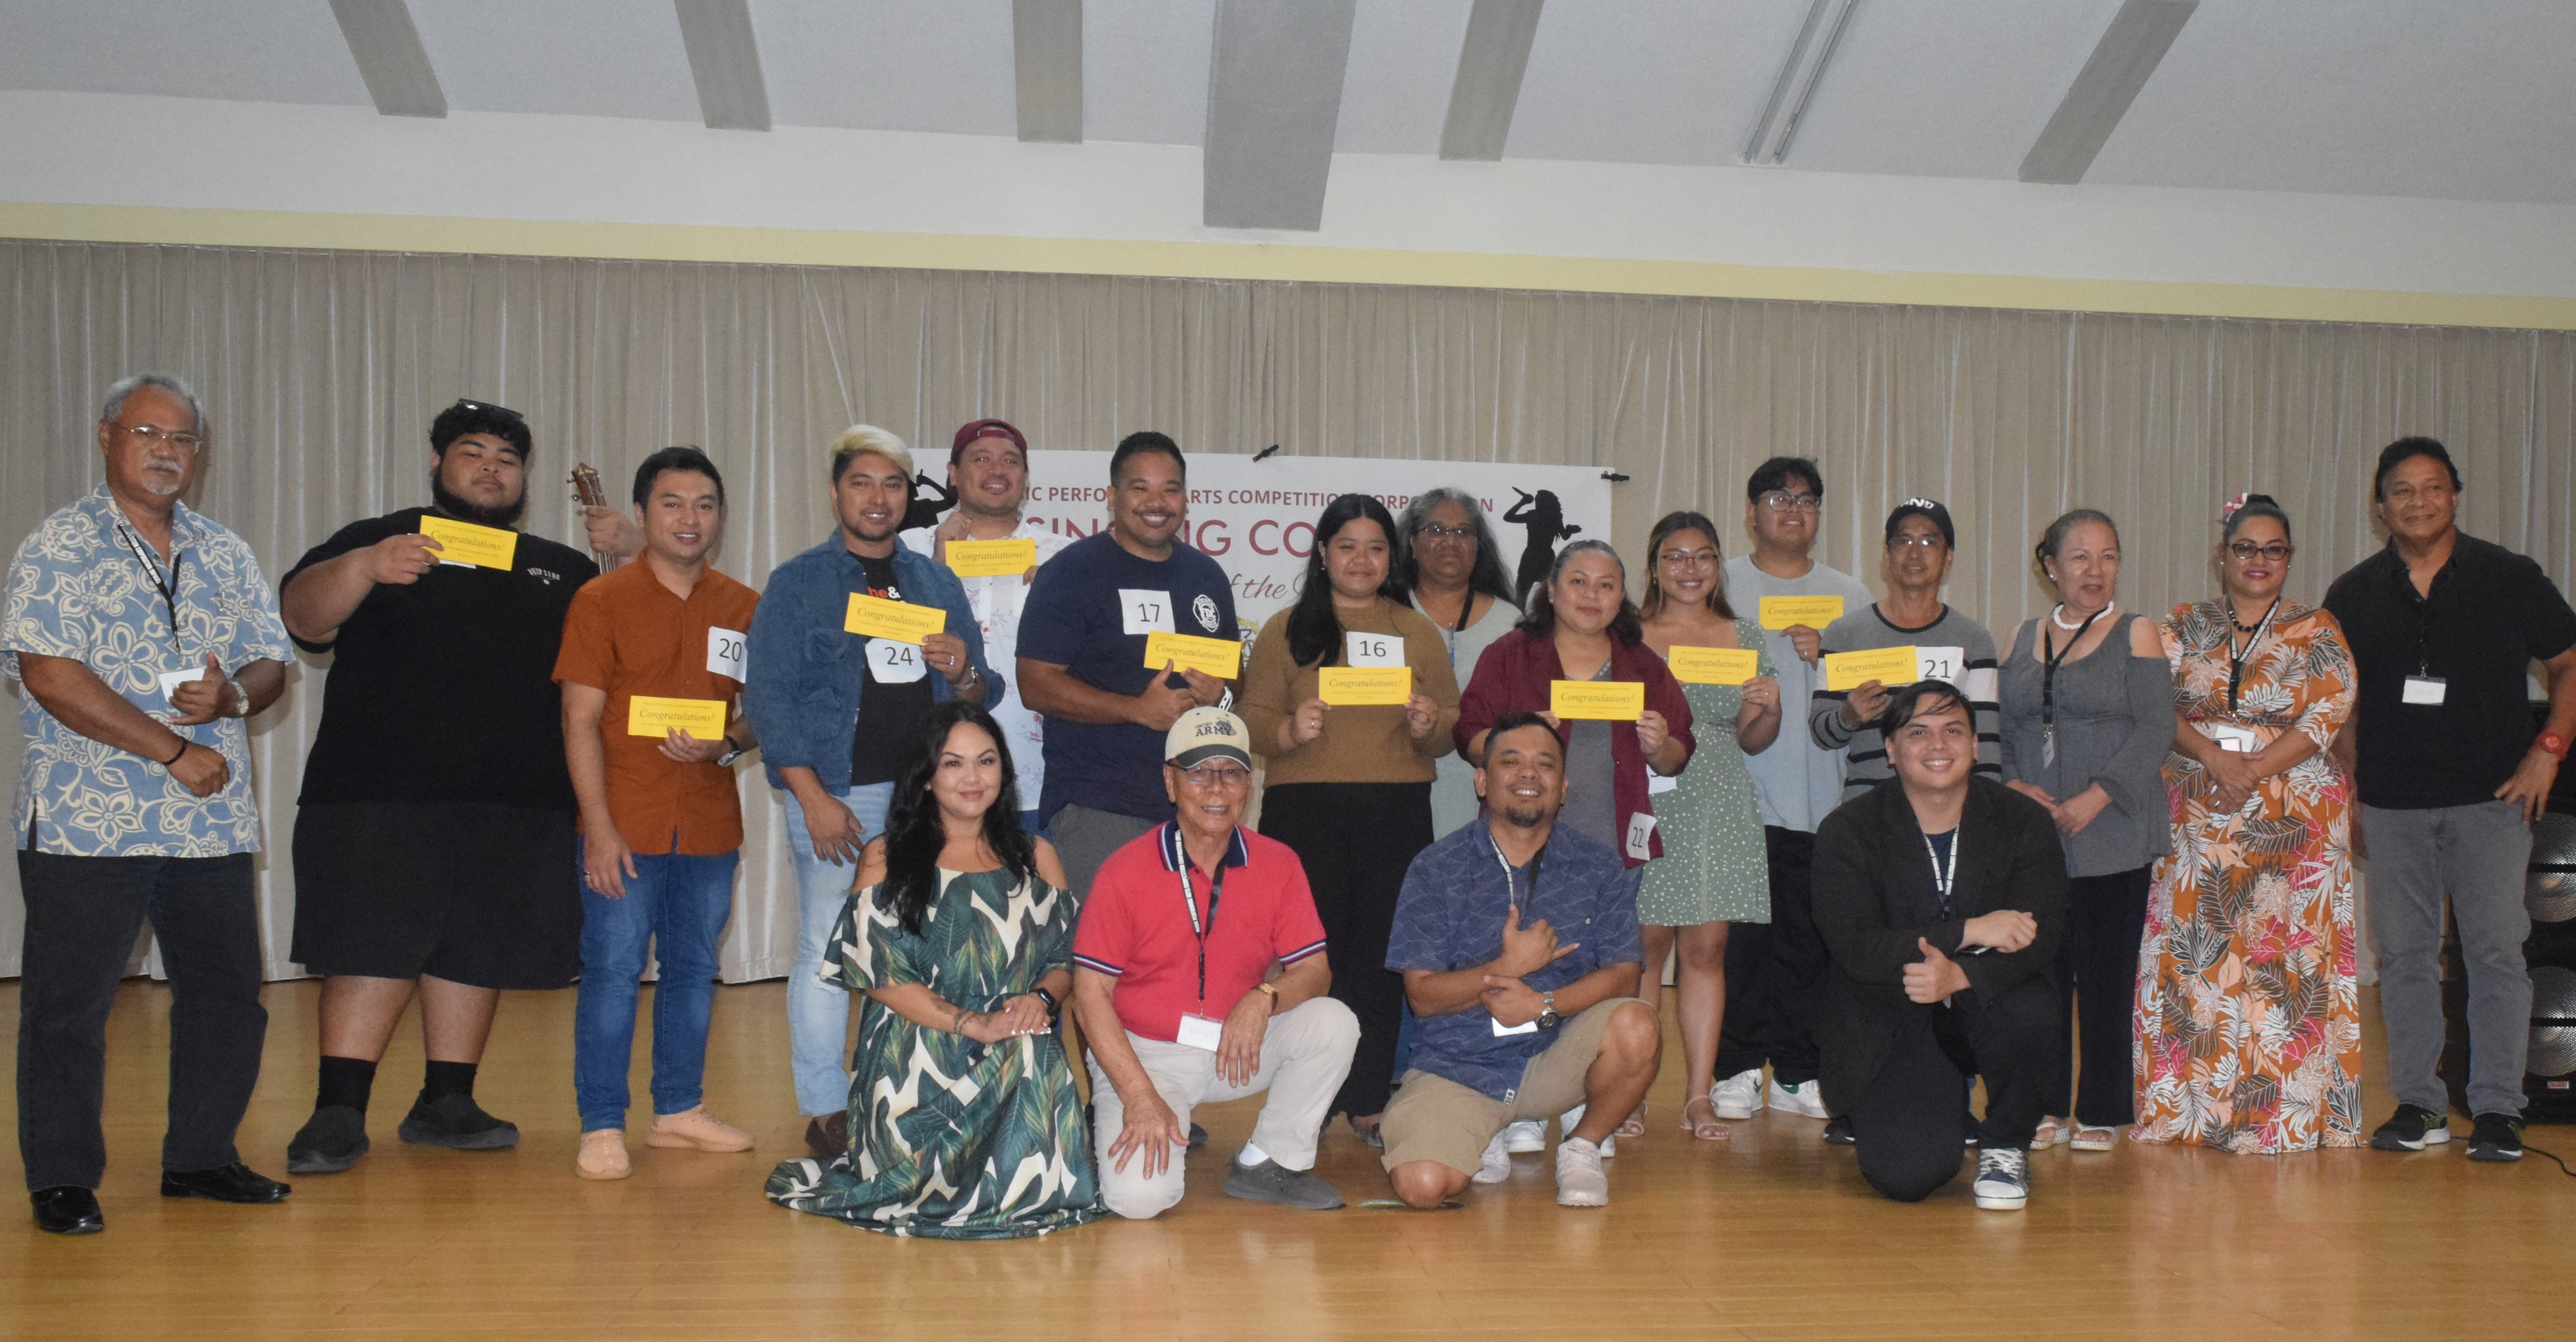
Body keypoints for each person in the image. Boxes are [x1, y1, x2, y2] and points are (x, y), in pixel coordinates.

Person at [5, 373, 294, 1234]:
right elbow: (48, 673)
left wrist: (233, 696)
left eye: (182, 439)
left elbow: (272, 661)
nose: (167, 451)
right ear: (107, 437)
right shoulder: (60, 544)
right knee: (70, 1008)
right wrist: (172, 749)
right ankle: (62, 1177)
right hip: (86, 820)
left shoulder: (224, 549)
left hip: (209, 821)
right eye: (147, 434)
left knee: (227, 997)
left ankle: (201, 1156)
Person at [279, 398, 598, 1173]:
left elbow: (605, 670)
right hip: (379, 792)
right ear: (436, 463)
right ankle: (337, 1110)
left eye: (507, 459)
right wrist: (365, 566)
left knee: (477, 948)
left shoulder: (562, 567)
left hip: (516, 801)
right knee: (370, 944)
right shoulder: (378, 539)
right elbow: (302, 618)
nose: (491, 468)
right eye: (472, 452)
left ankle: (446, 1100)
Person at [743, 425, 1000, 1158]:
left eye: (892, 484)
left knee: (926, 946)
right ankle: (828, 1106)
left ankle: (918, 1092)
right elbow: (769, 700)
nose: (877, 497)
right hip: (838, 795)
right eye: (862, 482)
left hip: (928, 798)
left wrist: (962, 670)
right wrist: (812, 797)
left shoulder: (934, 582)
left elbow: (981, 690)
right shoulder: (798, 582)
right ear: (835, 493)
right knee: (828, 948)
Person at [2326, 438, 2576, 1163]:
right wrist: (2351, 793)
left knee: (2495, 953)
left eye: (2432, 487)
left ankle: (2498, 1108)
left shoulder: (2510, 576)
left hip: (2492, 800)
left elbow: (2567, 663)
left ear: (2455, 496)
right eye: (2401, 490)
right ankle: (2419, 1104)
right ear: (2380, 506)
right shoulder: (2352, 593)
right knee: (2404, 957)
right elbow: (2341, 705)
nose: (2418, 502)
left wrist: (2548, 750)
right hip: (2392, 805)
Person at [767, 703, 1100, 1237]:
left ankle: (1018, 1182)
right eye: (952, 763)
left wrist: (1039, 999)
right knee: (1016, 1055)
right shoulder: (886, 856)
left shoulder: (1037, 855)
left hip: (1009, 1038)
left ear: (1005, 771)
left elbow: (1066, 957)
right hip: (914, 1054)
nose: (973, 777)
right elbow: (880, 977)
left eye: (986, 761)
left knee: (1033, 1046)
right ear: (925, 777)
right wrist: (974, 1024)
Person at [554, 447, 762, 1179]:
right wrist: (598, 829)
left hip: (708, 822)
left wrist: (727, 742)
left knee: (693, 969)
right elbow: (578, 721)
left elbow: (761, 714)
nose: (689, 518)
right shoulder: (600, 601)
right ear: (641, 515)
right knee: (613, 970)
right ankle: (601, 1123)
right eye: (672, 503)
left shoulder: (743, 605)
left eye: (705, 504)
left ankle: (678, 1110)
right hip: (626, 820)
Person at [2135, 494, 2361, 1154]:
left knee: (2283, 962)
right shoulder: (2183, 622)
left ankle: (2282, 1116)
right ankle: (2191, 1111)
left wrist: (2253, 768)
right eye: (2245, 548)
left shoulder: (2317, 627)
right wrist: (2214, 758)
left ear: (2288, 558)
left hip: (2295, 817)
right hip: (2200, 808)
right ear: (2222, 555)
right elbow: (2150, 702)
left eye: (2273, 549)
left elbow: (2329, 710)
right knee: (2197, 957)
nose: (2258, 560)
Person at [1068, 707, 1358, 1218]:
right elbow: (1089, 995)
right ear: (1171, 782)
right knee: (1140, 1200)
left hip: (1234, 1047)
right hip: (1147, 1056)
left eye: (1231, 773)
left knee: (1333, 1022)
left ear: (1250, 784)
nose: (1217, 789)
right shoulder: (1124, 870)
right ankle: (1123, 1117)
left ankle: (1269, 1162)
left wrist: (1264, 997)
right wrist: (1139, 1094)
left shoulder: (1279, 862)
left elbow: (1316, 971)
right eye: (1199, 772)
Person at [1239, 494, 1462, 1147]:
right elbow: (1250, 717)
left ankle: (1367, 1097)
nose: (1361, 560)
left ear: (1391, 557)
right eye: (1346, 546)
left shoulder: (1415, 630)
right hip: (1304, 811)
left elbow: (1451, 723)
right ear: (1321, 553)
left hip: (1395, 810)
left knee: (1379, 957)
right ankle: (1301, 1103)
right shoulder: (1286, 627)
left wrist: (1428, 724)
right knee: (1309, 956)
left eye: (1374, 548)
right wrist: (1287, 729)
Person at [1455, 537, 1691, 1141]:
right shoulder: (1512, 654)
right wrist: (1515, 737)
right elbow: (1468, 735)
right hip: (1522, 846)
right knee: (1522, 967)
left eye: (1606, 585)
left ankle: (1598, 1104)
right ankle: (1521, 1103)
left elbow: (1677, 754)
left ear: (1622, 597)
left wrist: (1659, 743)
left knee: (1605, 973)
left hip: (1613, 850)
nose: (1592, 595)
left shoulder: (1642, 663)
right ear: (1552, 591)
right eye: (1579, 582)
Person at [1381, 713, 1661, 1208]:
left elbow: (1624, 974)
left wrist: (1543, 1005)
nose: (1529, 774)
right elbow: (1422, 996)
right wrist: (1507, 966)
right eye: (1511, 762)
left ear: (1563, 788)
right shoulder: (1436, 867)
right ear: (1482, 781)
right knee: (1422, 1187)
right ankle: (1484, 1128)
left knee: (1638, 1024)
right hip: (1460, 1064)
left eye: (1545, 764)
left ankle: (1582, 1145)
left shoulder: (1599, 865)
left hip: (1556, 1054)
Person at [1812, 681, 2065, 1210]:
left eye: (1953, 731)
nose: (1937, 745)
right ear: (1890, 750)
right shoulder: (1848, 829)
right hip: (1890, 1008)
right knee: (1908, 1178)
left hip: (1987, 1000)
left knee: (2033, 1008)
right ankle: (1910, 1109)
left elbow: (2041, 935)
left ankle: (2006, 1143)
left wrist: (1963, 975)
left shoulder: (2023, 821)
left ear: (1975, 746)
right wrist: (1969, 931)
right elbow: (1856, 948)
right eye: (1918, 732)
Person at [1995, 510, 2171, 1152]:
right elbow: (1999, 728)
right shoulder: (2019, 636)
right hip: (2035, 835)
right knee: (2039, 974)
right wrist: (2014, 786)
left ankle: (2100, 1108)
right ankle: (2043, 1104)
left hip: (2113, 828)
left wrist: (2097, 796)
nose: (2095, 570)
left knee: (2105, 978)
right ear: (2050, 567)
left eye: (2107, 556)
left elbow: (2156, 726)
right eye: (2079, 557)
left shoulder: (2136, 632)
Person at [1713, 456, 1873, 1125]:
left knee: (1808, 942)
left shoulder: (1850, 594)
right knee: (1740, 944)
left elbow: (1872, 691)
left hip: (1820, 793)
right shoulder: (1718, 584)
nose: (1793, 509)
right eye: (1778, 498)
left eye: (1806, 500)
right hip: (1734, 791)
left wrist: (1829, 655)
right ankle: (1736, 1065)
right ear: (1751, 512)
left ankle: (1798, 1069)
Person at [1017, 432, 1239, 897]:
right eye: (1140, 488)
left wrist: (1219, 695)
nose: (1156, 502)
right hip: (1099, 808)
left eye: (1170, 489)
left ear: (1185, 499)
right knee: (1105, 944)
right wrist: (1136, 710)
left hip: (1197, 808)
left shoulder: (1207, 576)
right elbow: (1035, 684)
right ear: (1112, 497)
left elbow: (1234, 679)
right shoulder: (1071, 572)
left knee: (1190, 942)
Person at [1635, 511, 1781, 1141]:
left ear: (1719, 566)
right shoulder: (1628, 633)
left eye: (1703, 556)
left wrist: (1768, 709)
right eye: (1675, 556)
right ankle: (1630, 1092)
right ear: (1654, 567)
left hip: (1718, 798)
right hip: (1644, 795)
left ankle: (1698, 1096)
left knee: (1706, 951)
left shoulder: (1744, 635)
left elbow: (1753, 739)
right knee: (1643, 950)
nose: (1689, 569)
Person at [903, 418, 1074, 832]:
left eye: (1011, 461)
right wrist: (939, 563)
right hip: (932, 776)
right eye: (981, 459)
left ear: (1026, 477)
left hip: (1037, 780)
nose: (997, 470)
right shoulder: (910, 550)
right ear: (952, 474)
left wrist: (1058, 595)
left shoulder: (1064, 557)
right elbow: (892, 643)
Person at [1811, 498, 2002, 801]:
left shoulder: (1974, 639)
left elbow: (1987, 746)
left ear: (1948, 558)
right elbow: (1821, 733)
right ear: (1887, 555)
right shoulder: (1845, 634)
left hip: (1949, 807)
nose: (1915, 552)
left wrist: (1983, 814)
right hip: (1868, 805)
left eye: (1929, 542)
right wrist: (1849, 716)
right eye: (1904, 541)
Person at [1397, 487, 1523, 839]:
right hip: (1399, 791)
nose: (1450, 541)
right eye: (1436, 530)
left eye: (1462, 532)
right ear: (1412, 543)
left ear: (1478, 545)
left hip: (1485, 793)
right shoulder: (1386, 615)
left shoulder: (1510, 623)